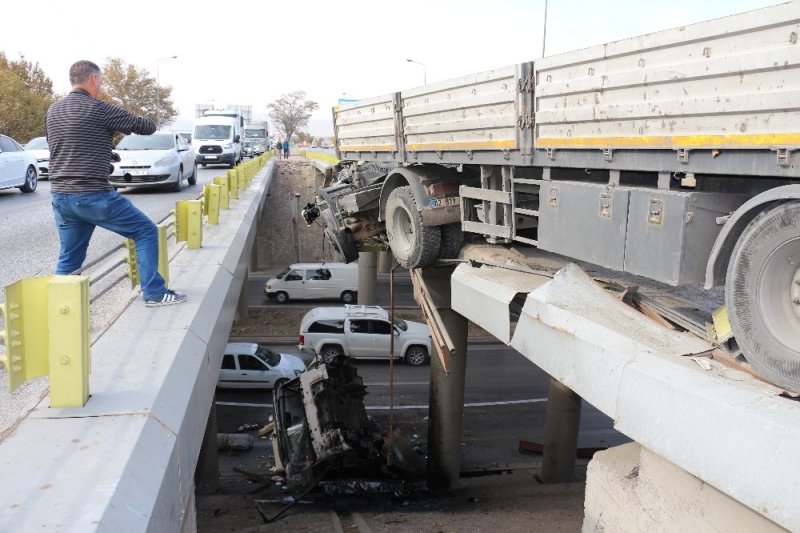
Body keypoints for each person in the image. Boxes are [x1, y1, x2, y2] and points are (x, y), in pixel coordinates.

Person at [45, 60, 186, 307]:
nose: (100, 86)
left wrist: (100, 149)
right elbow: (146, 127)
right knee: (145, 231)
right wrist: (122, 122)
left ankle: (62, 309)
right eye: (100, 81)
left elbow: (62, 145)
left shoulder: (53, 111)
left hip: (61, 196)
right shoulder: (99, 108)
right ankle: (154, 293)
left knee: (69, 258)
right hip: (92, 194)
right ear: (93, 79)